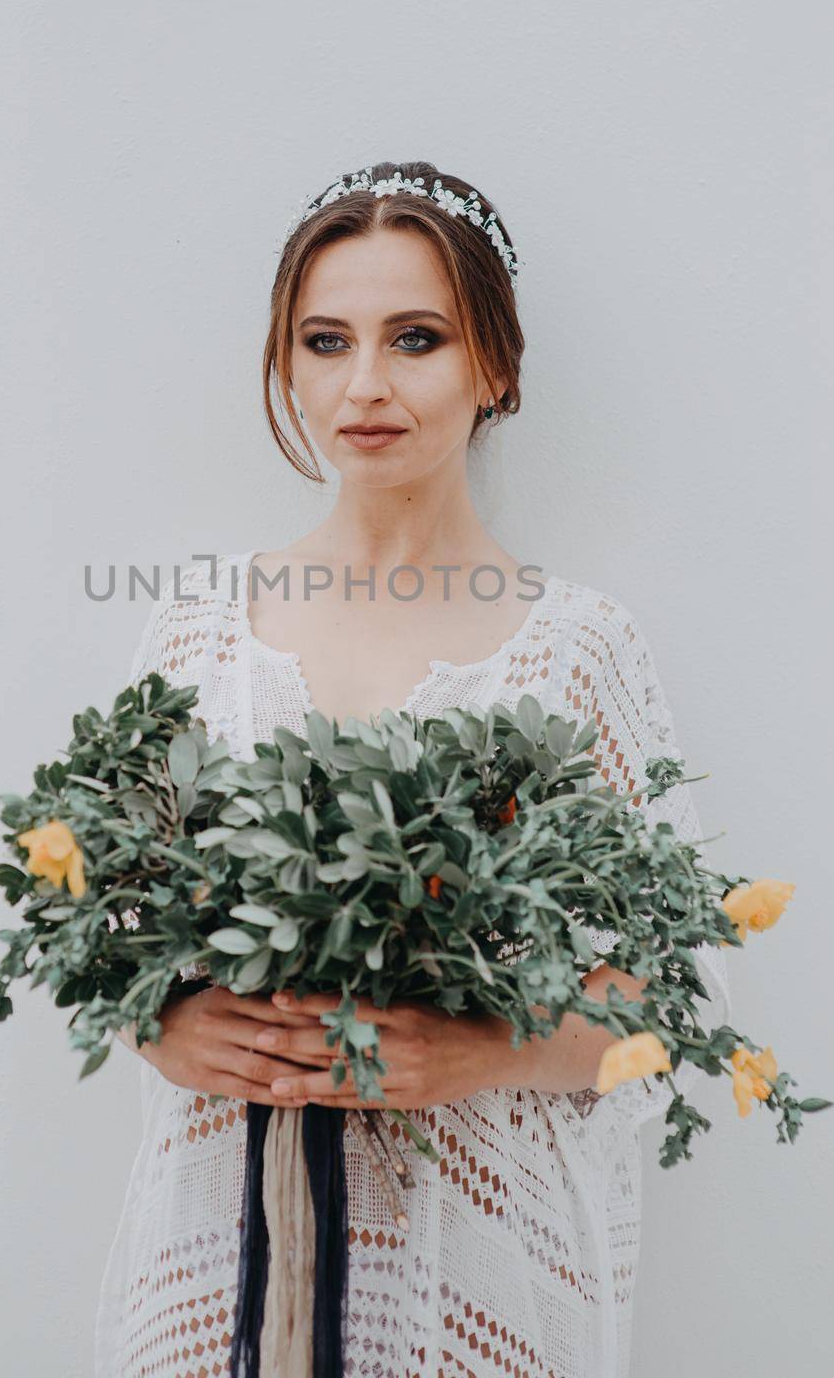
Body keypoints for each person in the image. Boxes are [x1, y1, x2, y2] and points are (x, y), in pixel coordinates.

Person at [94, 161, 731, 1378]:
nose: (364, 385)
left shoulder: (574, 649)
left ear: (493, 366)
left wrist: (477, 1051)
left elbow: (665, 996)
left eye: (417, 339)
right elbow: (109, 931)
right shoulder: (197, 629)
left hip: (472, 1273)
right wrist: (165, 1024)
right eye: (325, 340)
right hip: (222, 1260)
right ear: (285, 361)